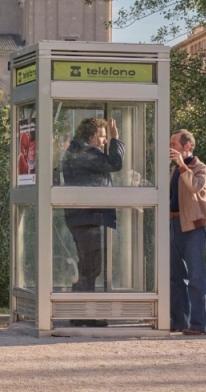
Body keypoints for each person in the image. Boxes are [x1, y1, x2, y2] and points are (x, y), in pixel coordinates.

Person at [61, 117, 125, 299]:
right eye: (103, 137)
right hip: (88, 216)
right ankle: (85, 313)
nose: (104, 141)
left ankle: (80, 312)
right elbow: (115, 163)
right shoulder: (86, 152)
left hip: (82, 216)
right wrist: (116, 139)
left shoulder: (76, 151)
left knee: (87, 265)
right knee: (91, 266)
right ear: (92, 136)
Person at [168, 129, 206, 335]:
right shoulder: (174, 170)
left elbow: (195, 188)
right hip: (173, 225)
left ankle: (200, 324)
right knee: (175, 277)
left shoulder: (200, 168)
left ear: (187, 147)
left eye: (174, 145)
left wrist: (182, 166)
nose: (171, 149)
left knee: (196, 277)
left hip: (193, 227)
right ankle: (180, 321)